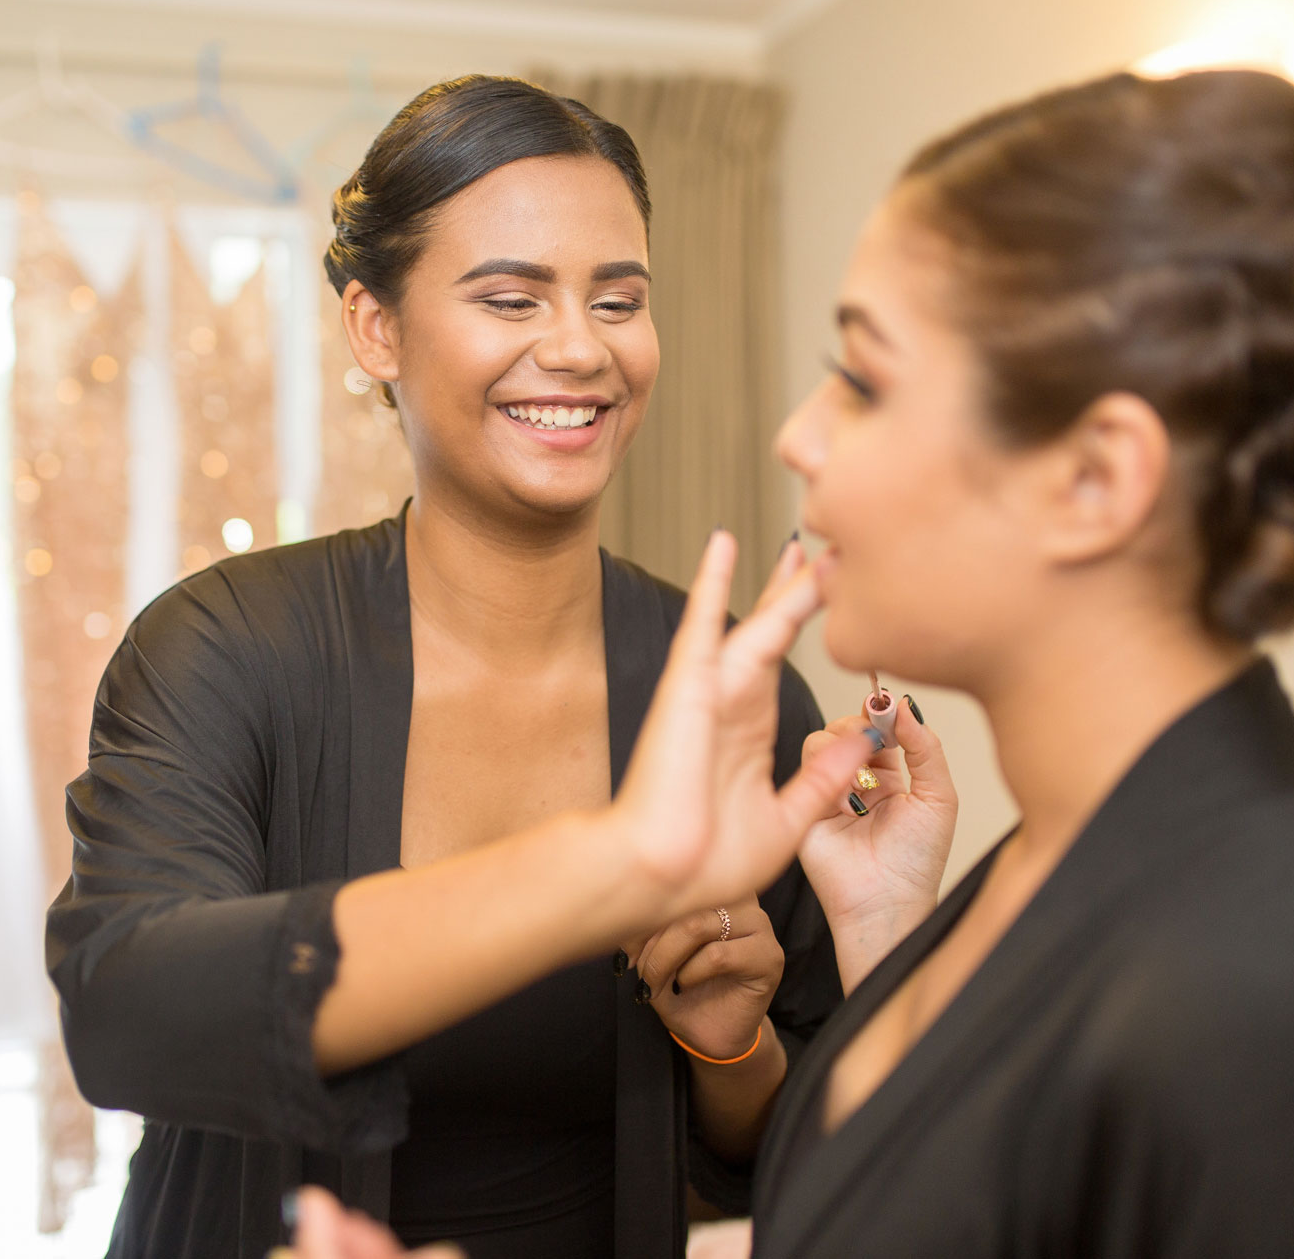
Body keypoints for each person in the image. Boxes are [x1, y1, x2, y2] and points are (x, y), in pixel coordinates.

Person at [285, 67, 1294, 1257]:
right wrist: (883, 948)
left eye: (863, 380)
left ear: (1093, 479)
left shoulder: (1268, 989)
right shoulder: (1071, 851)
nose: (796, 434)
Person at [46, 76, 958, 1259]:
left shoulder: (726, 693)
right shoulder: (222, 647)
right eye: (510, 297)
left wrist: (730, 1041)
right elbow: (128, 1013)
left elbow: (794, 1159)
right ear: (374, 326)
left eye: (617, 300)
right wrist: (601, 868)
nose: (578, 348)